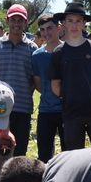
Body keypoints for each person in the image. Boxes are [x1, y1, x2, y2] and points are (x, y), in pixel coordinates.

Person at [49, 2, 91, 150]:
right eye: (70, 21)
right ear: (64, 24)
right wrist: (70, 95)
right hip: (71, 112)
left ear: (84, 23)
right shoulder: (58, 52)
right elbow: (55, 86)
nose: (74, 25)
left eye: (78, 21)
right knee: (74, 158)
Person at [0, 4, 38, 157]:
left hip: (22, 106)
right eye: (13, 19)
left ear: (26, 22)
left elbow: (33, 80)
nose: (16, 23)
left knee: (19, 151)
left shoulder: (32, 48)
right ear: (6, 20)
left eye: (20, 20)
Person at [31, 13, 66, 163]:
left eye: (49, 28)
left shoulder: (69, 51)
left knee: (69, 154)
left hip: (67, 110)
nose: (46, 33)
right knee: (44, 155)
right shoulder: (37, 55)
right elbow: (38, 84)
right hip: (46, 110)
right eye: (42, 29)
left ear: (59, 28)